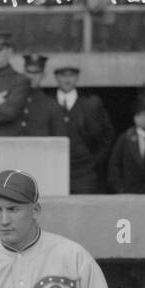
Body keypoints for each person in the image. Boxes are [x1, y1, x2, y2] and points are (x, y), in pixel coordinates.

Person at [50, 61, 114, 193]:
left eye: (71, 75)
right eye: (63, 75)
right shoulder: (48, 102)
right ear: (56, 77)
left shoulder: (91, 103)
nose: (67, 79)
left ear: (77, 77)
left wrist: (96, 160)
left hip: (84, 170)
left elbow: (107, 134)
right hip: (53, 167)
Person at [107, 94, 145, 194]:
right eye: (139, 115)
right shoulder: (125, 138)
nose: (143, 119)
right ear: (134, 118)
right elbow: (114, 165)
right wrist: (120, 189)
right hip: (131, 192)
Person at [19, 53, 63, 138]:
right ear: (24, 73)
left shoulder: (52, 106)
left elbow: (58, 139)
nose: (32, 76)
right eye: (29, 72)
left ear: (43, 75)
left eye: (36, 73)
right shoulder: (13, 100)